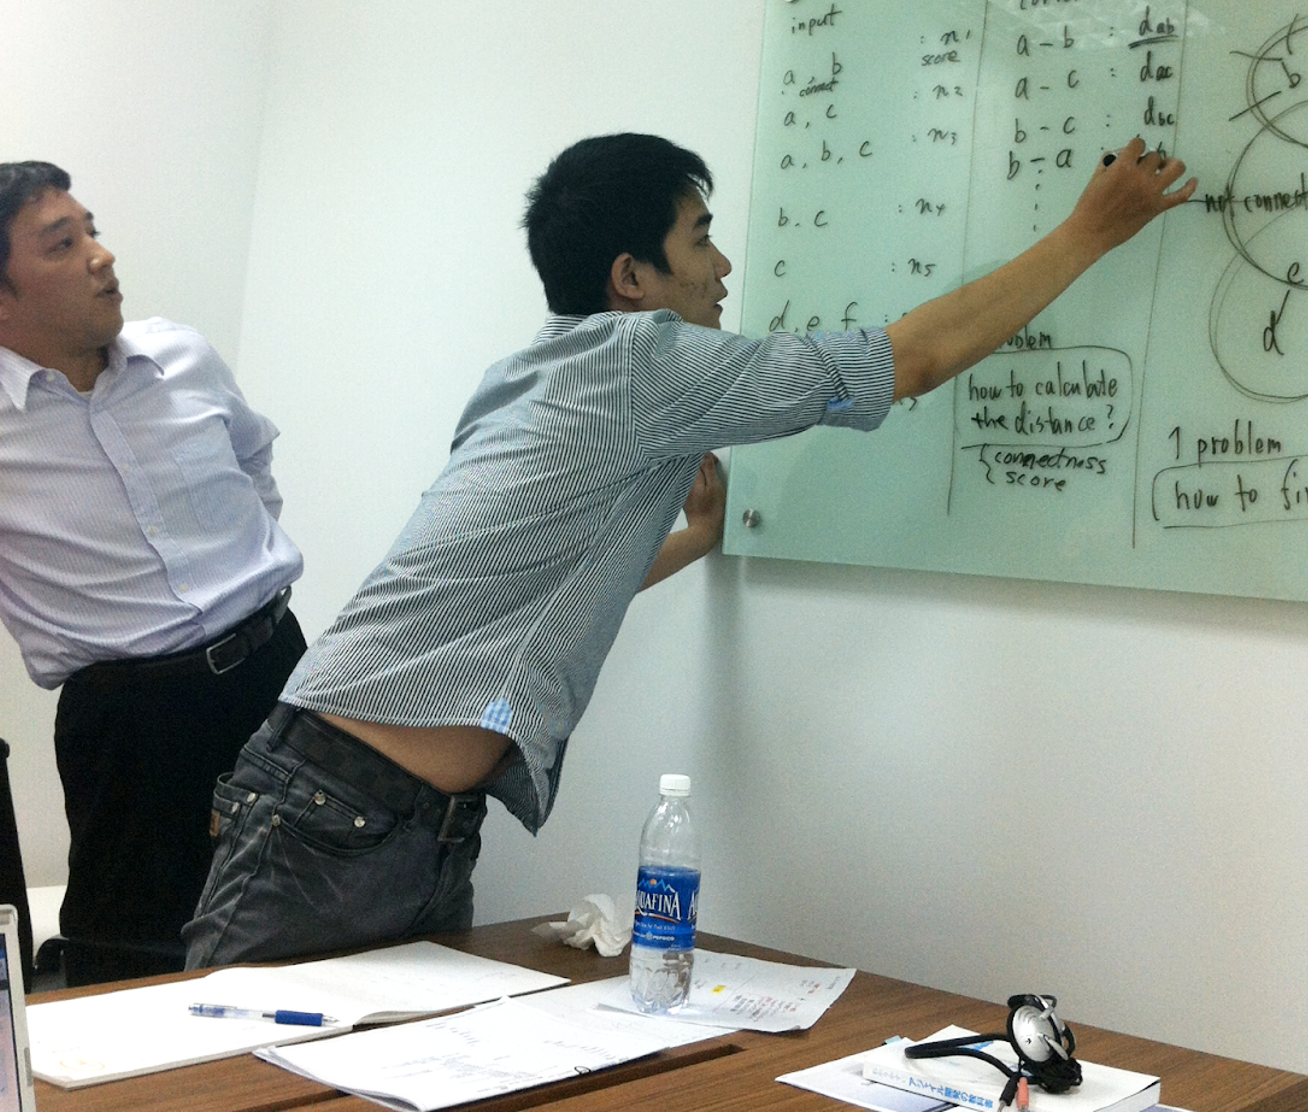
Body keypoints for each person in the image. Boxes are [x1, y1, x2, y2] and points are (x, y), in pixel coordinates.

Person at [184, 132, 1194, 967]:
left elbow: (547, 580)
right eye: (700, 239)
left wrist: (692, 540)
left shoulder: (531, 371)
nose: (723, 268)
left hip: (381, 810)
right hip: (333, 810)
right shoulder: (643, 361)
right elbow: (910, 357)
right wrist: (1087, 233)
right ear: (632, 278)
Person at [0, 161, 305, 982]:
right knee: (131, 962)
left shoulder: (181, 354)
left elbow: (253, 463)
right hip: (132, 726)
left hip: (276, 674)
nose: (101, 256)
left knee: (304, 928)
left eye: (92, 231)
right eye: (62, 244)